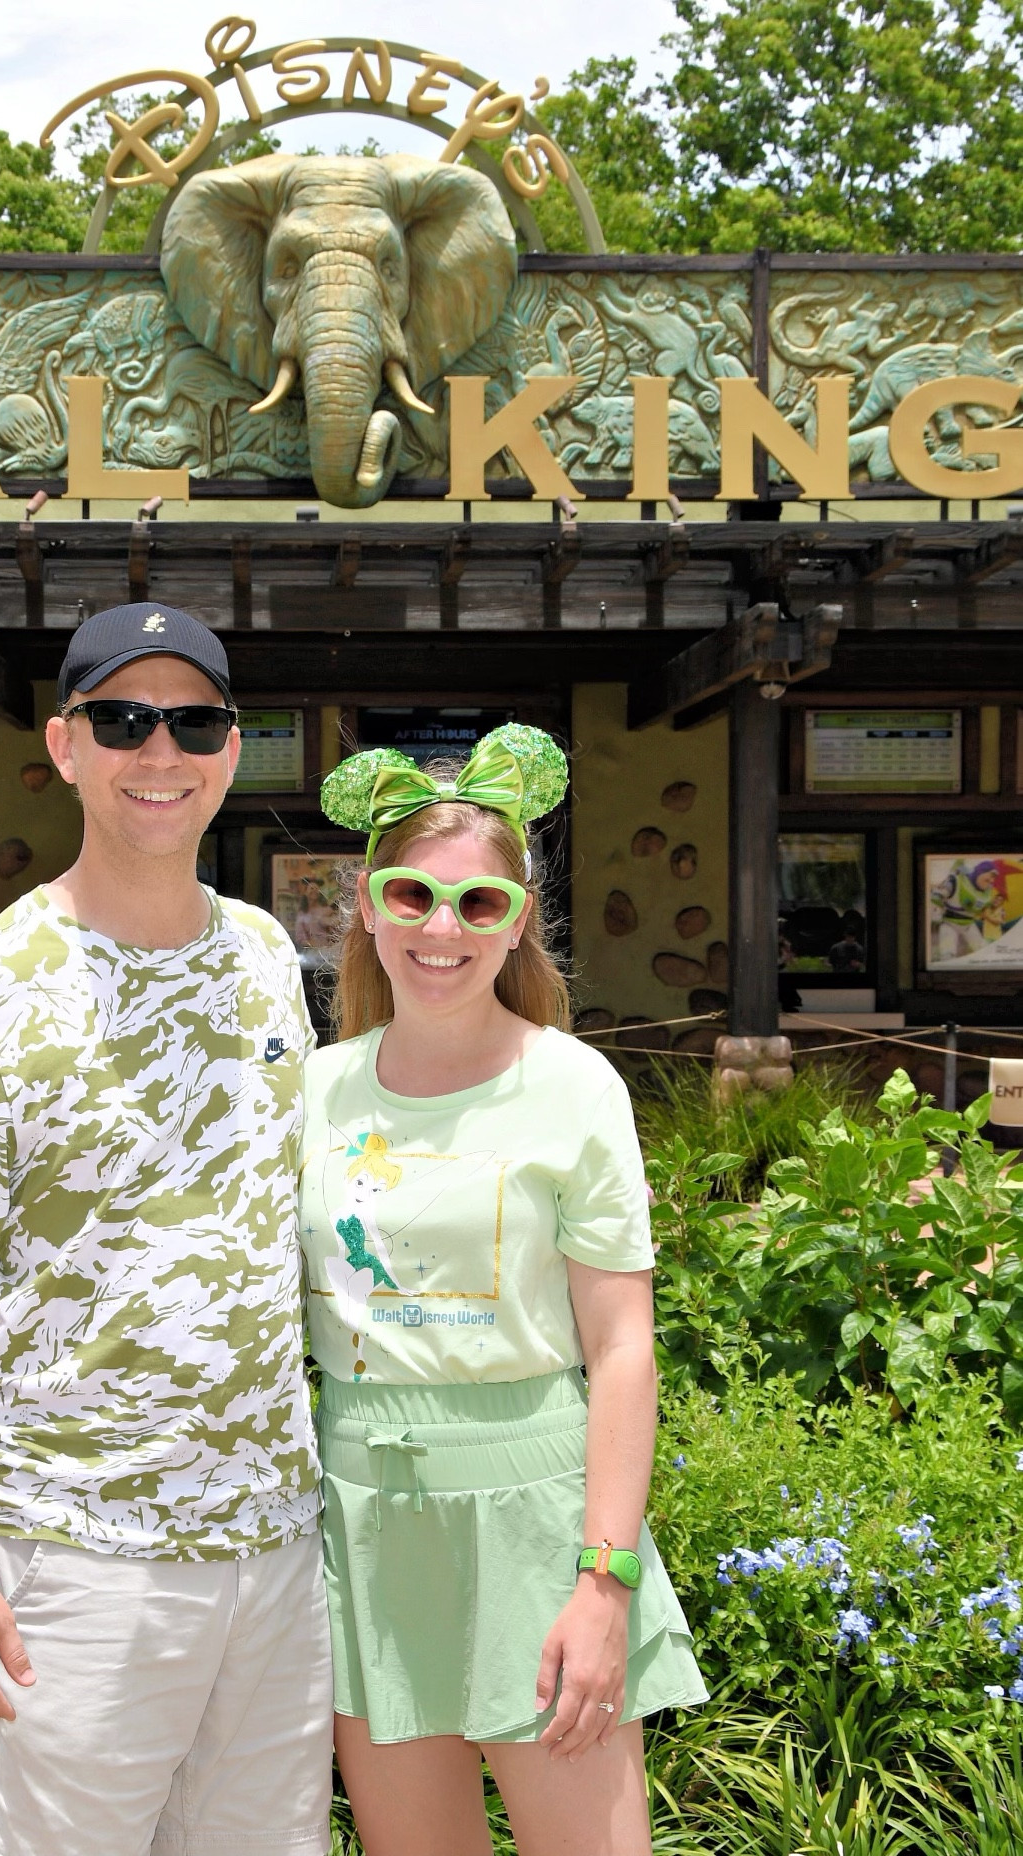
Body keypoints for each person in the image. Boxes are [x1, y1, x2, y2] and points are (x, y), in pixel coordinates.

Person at [0, 602, 331, 1856]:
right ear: (65, 744)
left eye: (193, 720)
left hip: (275, 1544)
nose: (160, 750)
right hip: (75, 1556)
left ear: (232, 749)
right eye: (123, 719)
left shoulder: (264, 954)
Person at [302, 727, 707, 1856]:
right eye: (412, 894)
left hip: (537, 1520)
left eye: (479, 903)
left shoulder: (571, 1084)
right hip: (360, 1523)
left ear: (517, 917)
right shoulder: (312, 1092)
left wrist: (603, 1581)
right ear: (367, 910)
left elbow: (621, 1345)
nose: (442, 927)